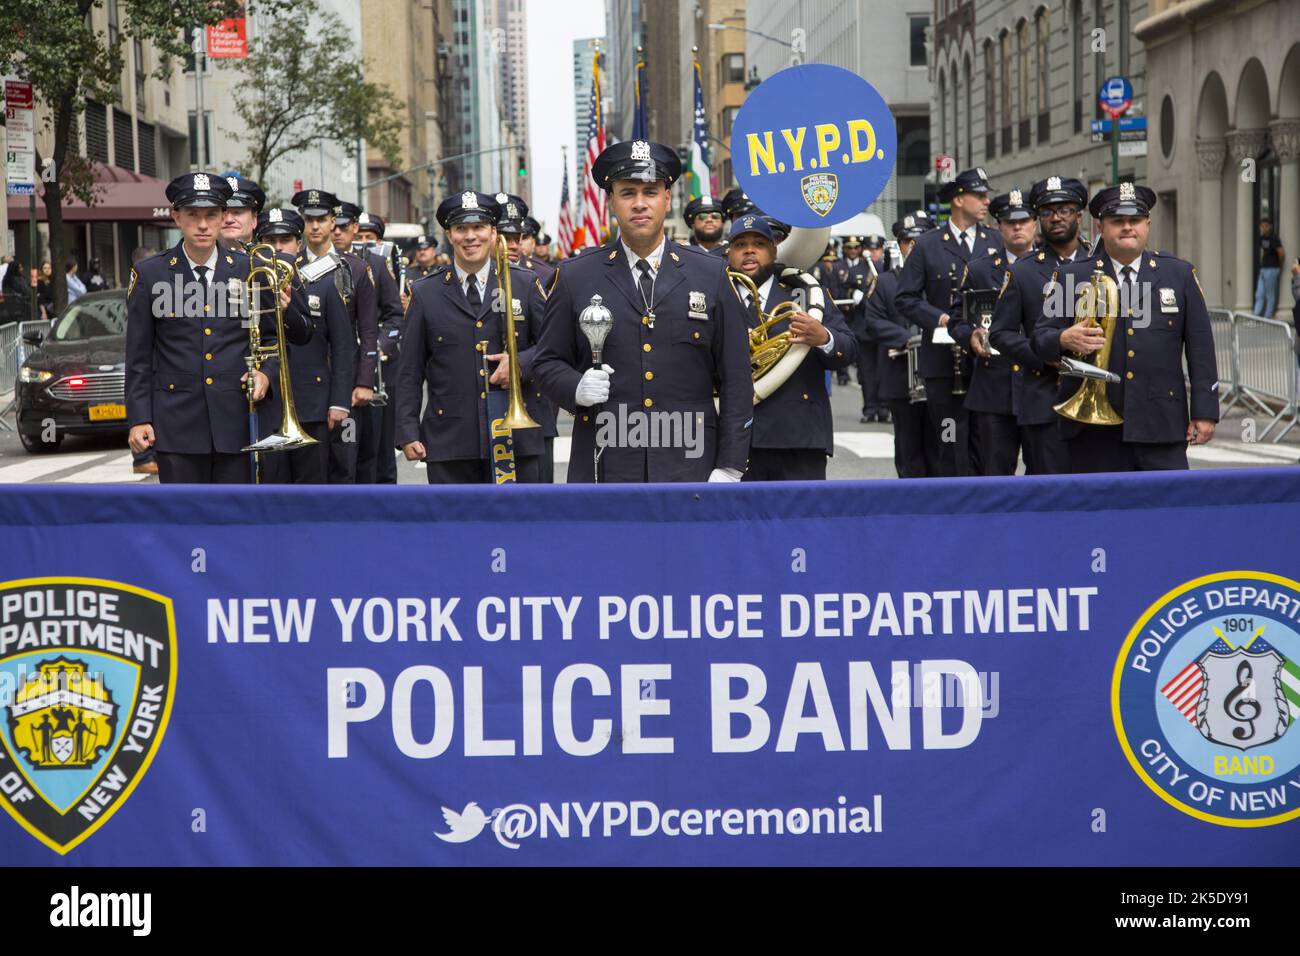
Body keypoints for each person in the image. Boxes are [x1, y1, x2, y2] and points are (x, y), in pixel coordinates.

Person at [532, 140, 752, 482]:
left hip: (692, 463)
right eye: (627, 192)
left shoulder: (710, 275)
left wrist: (730, 464)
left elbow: (736, 378)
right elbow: (545, 362)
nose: (639, 204)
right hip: (605, 464)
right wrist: (575, 386)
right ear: (610, 202)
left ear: (667, 199)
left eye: (650, 191)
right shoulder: (576, 276)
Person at [125, 172, 311, 484]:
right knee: (183, 522)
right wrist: (139, 418)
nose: (202, 225)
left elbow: (271, 338)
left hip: (237, 420)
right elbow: (138, 355)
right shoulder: (150, 274)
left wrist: (266, 372)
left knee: (234, 521)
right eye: (193, 215)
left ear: (223, 217)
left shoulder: (250, 268)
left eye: (211, 215)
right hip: (177, 424)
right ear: (176, 217)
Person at [1031, 183, 1218, 472]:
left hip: (1161, 424)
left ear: (1148, 224)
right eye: (1117, 221)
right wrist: (1063, 338)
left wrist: (1205, 412)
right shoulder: (1071, 276)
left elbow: (1201, 349)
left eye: (1135, 220)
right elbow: (1039, 339)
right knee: (1100, 514)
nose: (1127, 227)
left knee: (1164, 513)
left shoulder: (1178, 275)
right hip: (1092, 433)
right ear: (1100, 227)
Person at [394, 191, 555, 484]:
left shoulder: (524, 283)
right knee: (453, 530)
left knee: (518, 525)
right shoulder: (425, 293)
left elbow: (553, 346)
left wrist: (520, 363)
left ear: (493, 233)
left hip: (515, 437)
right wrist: (407, 431)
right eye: (461, 229)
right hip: (449, 441)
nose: (471, 237)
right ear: (449, 235)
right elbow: (409, 370)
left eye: (479, 228)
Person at [728, 215, 856, 480]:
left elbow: (849, 349)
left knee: (803, 522)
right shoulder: (714, 295)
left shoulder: (807, 293)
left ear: (774, 250)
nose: (749, 250)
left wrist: (823, 337)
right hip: (736, 437)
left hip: (798, 436)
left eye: (759, 244)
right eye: (740, 244)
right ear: (729, 253)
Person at [895, 166, 1004, 477]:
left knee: (987, 440)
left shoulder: (995, 241)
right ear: (958, 199)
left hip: (987, 361)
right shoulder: (928, 245)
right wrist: (940, 318)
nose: (986, 202)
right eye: (979, 196)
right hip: (943, 364)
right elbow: (906, 298)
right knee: (949, 438)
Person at [988, 176, 1089, 475]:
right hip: (1045, 399)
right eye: (1046, 212)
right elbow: (1000, 334)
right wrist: (1048, 358)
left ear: (1079, 215)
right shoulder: (1023, 272)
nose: (1056, 217)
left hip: (1097, 396)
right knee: (1049, 493)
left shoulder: (1101, 263)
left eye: (1065, 210)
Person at [253, 207, 355, 484]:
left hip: (312, 403)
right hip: (269, 403)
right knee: (272, 484)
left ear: (298, 244)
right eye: (269, 241)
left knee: (312, 484)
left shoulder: (320, 282)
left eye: (284, 240)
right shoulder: (251, 284)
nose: (277, 248)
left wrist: (339, 401)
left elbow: (344, 346)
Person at [292, 189, 379, 483]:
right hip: (305, 383)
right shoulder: (291, 267)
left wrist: (365, 380)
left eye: (322, 219)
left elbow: (368, 329)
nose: (315, 226)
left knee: (345, 464)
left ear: (333, 222)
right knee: (307, 470)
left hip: (347, 380)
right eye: (309, 219)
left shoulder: (355, 267)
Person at [951, 189, 1035, 476]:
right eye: (1009, 222)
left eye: (1023, 221)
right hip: (993, 385)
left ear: (1034, 223)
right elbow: (956, 319)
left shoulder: (1055, 268)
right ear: (999, 227)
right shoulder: (979, 270)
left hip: (1039, 384)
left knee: (1046, 472)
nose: (1017, 227)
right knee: (995, 473)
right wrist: (968, 335)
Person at [864, 212, 941, 478]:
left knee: (942, 442)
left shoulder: (940, 278)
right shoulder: (886, 282)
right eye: (908, 242)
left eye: (920, 242)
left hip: (939, 373)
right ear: (900, 245)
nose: (914, 248)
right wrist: (907, 339)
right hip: (901, 376)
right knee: (908, 446)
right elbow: (873, 321)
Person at [220, 174, 265, 250]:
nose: (229, 220)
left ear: (254, 219)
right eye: (223, 212)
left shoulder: (273, 261)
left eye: (237, 212)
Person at [1254, 218, 1285, 318]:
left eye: (1265, 226)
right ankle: (1255, 316)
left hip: (1272, 268)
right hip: (1263, 269)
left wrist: (1279, 266)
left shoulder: (1274, 238)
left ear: (1270, 227)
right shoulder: (1261, 238)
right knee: (1259, 294)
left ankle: (1267, 317)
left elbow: (1281, 253)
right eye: (1261, 226)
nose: (1263, 228)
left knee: (1270, 295)